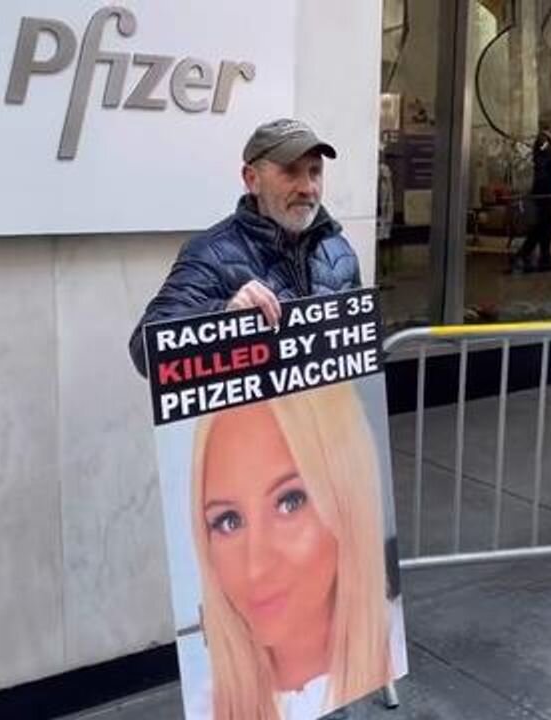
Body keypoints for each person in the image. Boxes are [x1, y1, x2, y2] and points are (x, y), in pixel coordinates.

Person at [190, 384, 401, 719]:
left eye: (290, 502)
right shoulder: (209, 707)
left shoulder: (390, 641)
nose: (256, 566)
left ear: (346, 498)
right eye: (228, 521)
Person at [128, 119, 361, 376]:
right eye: (291, 171)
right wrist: (223, 315)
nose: (307, 188)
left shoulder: (339, 251)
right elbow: (144, 351)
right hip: (255, 416)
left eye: (315, 171)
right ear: (252, 179)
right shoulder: (210, 254)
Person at [513, 116, 551, 273]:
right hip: (547, 191)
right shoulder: (543, 140)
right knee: (544, 225)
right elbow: (543, 157)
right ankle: (530, 254)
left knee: (547, 225)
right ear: (549, 125)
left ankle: (539, 256)